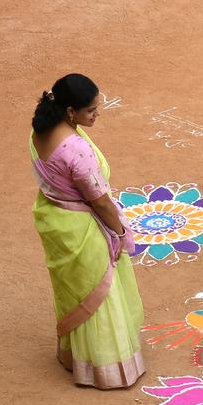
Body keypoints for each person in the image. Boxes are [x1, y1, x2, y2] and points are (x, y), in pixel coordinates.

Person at [29, 73, 145, 389]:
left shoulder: (40, 129)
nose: (96, 115)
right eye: (91, 110)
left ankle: (72, 356)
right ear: (70, 112)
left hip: (57, 222)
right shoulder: (76, 152)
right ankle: (107, 369)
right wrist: (121, 233)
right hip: (82, 228)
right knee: (101, 297)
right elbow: (101, 203)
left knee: (74, 291)